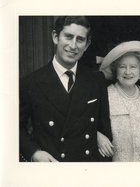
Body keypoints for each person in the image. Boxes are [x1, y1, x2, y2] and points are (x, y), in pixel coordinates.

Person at [19, 16, 112, 162]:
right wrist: (34, 153)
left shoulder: (96, 80)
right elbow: (14, 127)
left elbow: (104, 127)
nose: (73, 45)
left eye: (80, 39)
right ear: (56, 37)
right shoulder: (31, 82)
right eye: (68, 37)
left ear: (87, 45)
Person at [99, 41, 140, 162]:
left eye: (133, 67)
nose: (128, 72)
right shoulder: (105, 95)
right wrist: (97, 136)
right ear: (115, 70)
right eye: (122, 67)